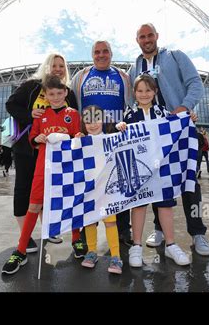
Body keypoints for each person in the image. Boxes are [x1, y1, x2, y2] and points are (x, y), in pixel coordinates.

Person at [128, 23, 209, 256]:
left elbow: (195, 83)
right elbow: (133, 97)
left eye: (150, 35)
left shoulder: (175, 57)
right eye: (142, 36)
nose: (147, 39)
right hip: (153, 135)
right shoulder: (135, 67)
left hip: (180, 130)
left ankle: (197, 233)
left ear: (157, 36)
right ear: (137, 40)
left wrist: (184, 107)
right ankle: (160, 229)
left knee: (189, 182)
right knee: (156, 179)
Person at [2, 76, 83, 274]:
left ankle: (76, 239)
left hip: (66, 167)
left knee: (72, 200)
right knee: (34, 204)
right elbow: (32, 137)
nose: (55, 97)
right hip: (43, 167)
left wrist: (77, 138)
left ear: (65, 93)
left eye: (59, 93)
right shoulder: (41, 117)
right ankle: (20, 250)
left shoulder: (73, 115)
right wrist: (36, 137)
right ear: (45, 96)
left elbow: (78, 138)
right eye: (51, 94)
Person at [117, 74, 191, 267]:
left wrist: (188, 118)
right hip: (139, 169)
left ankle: (171, 244)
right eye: (140, 90)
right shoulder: (129, 114)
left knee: (165, 206)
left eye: (148, 90)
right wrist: (121, 127)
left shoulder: (163, 113)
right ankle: (137, 246)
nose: (144, 94)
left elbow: (177, 128)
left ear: (155, 92)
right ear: (134, 93)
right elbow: (121, 138)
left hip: (162, 168)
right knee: (139, 205)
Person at [71, 40, 133, 246]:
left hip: (116, 136)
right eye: (97, 52)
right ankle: (85, 230)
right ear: (92, 55)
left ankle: (123, 229)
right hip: (90, 138)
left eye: (105, 51)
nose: (101, 55)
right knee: (89, 183)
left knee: (120, 181)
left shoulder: (123, 77)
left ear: (111, 53)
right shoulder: (81, 76)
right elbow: (72, 104)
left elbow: (131, 104)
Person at [75, 105, 123, 274]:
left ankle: (116, 256)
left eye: (96, 119)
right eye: (88, 121)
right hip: (88, 191)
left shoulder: (110, 138)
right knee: (89, 221)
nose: (93, 124)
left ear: (102, 120)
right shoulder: (81, 140)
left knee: (110, 222)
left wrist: (122, 127)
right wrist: (76, 143)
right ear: (83, 123)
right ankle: (92, 252)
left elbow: (125, 139)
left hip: (107, 191)